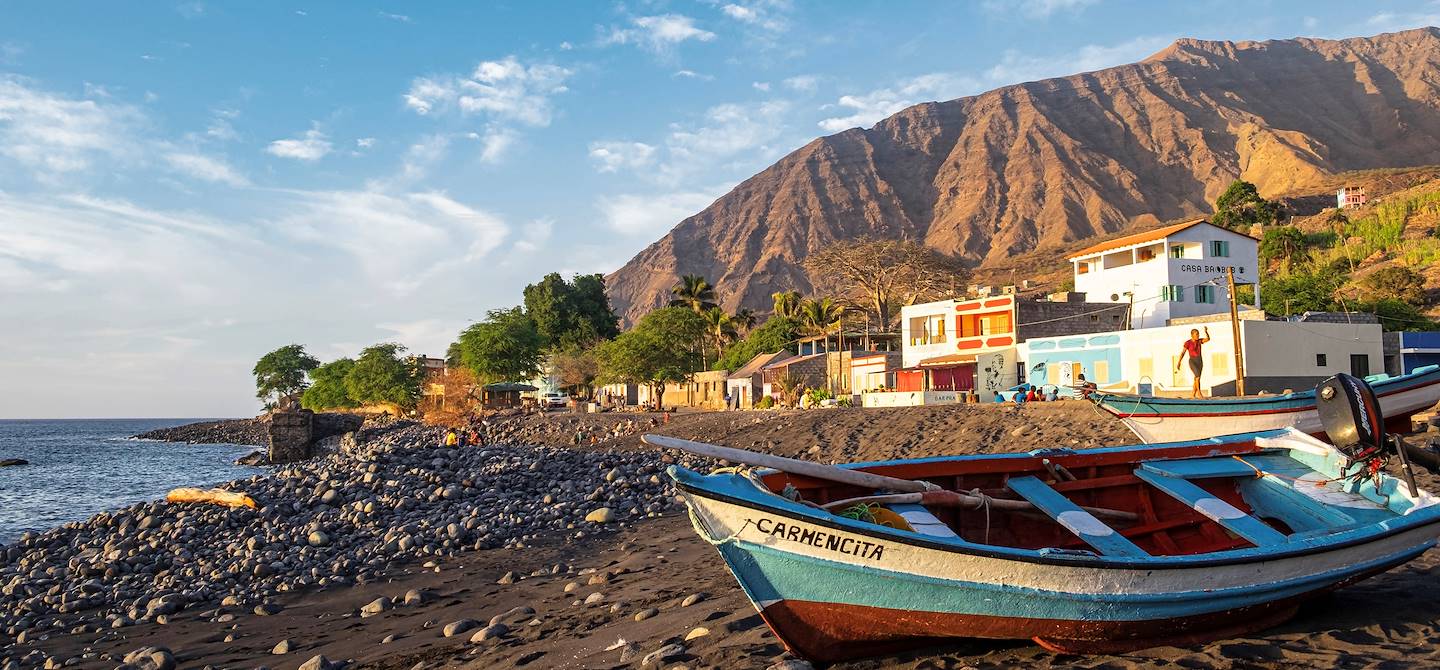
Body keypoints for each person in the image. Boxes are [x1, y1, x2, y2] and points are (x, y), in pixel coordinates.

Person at [1175, 326, 1211, 398]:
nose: (1198, 335)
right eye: (1196, 334)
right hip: (1192, 361)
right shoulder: (1187, 343)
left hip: (1200, 360)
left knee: (1197, 378)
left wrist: (1206, 332)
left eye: (1198, 334)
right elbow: (1183, 353)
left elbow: (1208, 339)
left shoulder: (1199, 341)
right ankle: (1199, 393)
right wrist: (1179, 362)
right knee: (1197, 376)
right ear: (1192, 335)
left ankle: (1193, 394)